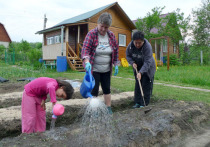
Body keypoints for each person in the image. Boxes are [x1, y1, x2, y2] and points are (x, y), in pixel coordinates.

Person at [81, 12, 119, 114]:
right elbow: (85, 50)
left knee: (107, 89)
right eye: (102, 26)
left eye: (106, 27)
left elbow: (115, 50)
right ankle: (94, 110)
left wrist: (116, 64)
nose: (103, 29)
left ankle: (108, 108)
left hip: (106, 69)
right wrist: (87, 61)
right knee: (94, 90)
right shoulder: (92, 34)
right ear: (98, 24)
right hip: (94, 69)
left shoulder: (111, 36)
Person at [126, 31, 156, 108]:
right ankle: (137, 102)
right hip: (137, 66)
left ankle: (144, 104)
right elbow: (128, 56)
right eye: (136, 42)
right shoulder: (130, 46)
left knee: (145, 84)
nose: (137, 45)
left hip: (148, 67)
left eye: (140, 43)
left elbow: (147, 61)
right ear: (133, 41)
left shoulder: (147, 46)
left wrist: (141, 72)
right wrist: (132, 62)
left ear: (143, 41)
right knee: (138, 84)